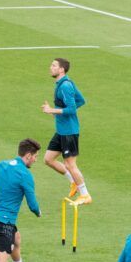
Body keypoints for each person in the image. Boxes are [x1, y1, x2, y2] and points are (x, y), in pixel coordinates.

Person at [42, 58, 92, 205]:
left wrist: (53, 110)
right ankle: (73, 182)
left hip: (69, 132)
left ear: (61, 69)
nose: (50, 67)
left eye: (54, 65)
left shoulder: (65, 86)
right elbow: (81, 100)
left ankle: (85, 194)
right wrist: (56, 113)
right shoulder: (64, 83)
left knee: (70, 164)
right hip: (61, 131)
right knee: (48, 159)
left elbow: (71, 109)